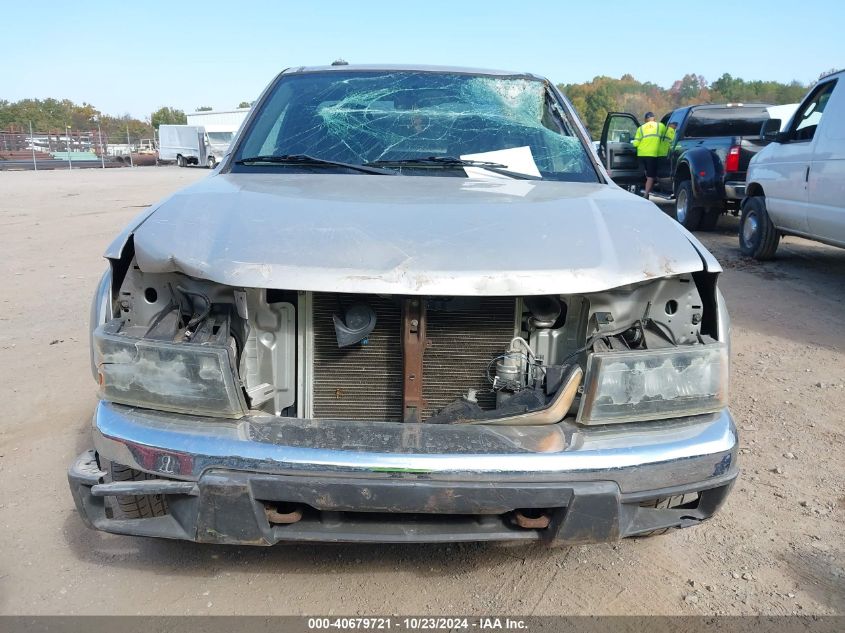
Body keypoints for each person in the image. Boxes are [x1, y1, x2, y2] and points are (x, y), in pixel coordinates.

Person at [632, 112, 667, 198]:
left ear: (645, 120)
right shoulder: (660, 126)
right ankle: (646, 194)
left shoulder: (640, 128)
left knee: (642, 174)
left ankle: (638, 191)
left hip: (641, 154)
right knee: (650, 176)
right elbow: (666, 137)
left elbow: (635, 144)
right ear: (654, 118)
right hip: (653, 155)